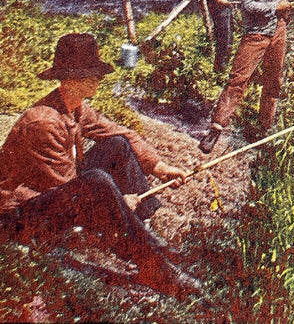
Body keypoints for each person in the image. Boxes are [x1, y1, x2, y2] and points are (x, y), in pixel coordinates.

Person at [0, 33, 202, 300]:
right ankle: (156, 269)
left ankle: (144, 238)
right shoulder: (44, 123)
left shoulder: (74, 108)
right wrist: (116, 200)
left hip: (55, 192)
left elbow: (122, 133)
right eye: (92, 74)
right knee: (96, 182)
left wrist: (161, 167)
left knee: (117, 144)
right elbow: (72, 194)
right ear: (72, 79)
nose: (99, 78)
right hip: (17, 219)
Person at [198, 0, 292, 154]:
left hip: (278, 31)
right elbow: (248, 6)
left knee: (274, 80)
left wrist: (285, 8)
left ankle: (264, 128)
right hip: (256, 34)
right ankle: (216, 128)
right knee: (238, 81)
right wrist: (275, 6)